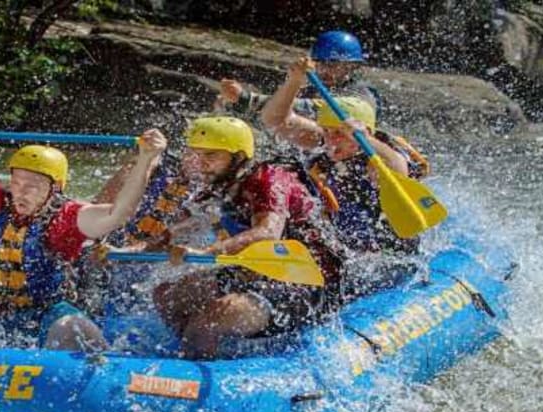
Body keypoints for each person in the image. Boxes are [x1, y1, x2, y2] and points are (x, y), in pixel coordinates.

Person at [0, 123, 167, 350]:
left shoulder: (68, 217)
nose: (22, 191)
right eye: (17, 181)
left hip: (47, 314)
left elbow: (119, 214)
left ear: (56, 187)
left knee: (72, 328)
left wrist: (145, 160)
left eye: (33, 185)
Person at [149, 116, 342, 358]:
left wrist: (207, 252)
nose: (200, 163)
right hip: (255, 273)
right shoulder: (216, 185)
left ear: (238, 158)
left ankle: (195, 367)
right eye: (195, 154)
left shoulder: (269, 178)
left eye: (211, 156)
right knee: (167, 296)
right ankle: (191, 355)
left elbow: (267, 233)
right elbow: (170, 233)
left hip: (304, 283)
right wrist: (126, 251)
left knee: (207, 320)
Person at [261, 58, 424, 298]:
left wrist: (362, 139)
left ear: (365, 133)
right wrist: (294, 82)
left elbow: (398, 170)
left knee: (349, 279)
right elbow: (275, 121)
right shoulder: (324, 145)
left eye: (339, 134)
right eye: (326, 131)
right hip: (346, 250)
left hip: (390, 257)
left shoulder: (379, 156)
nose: (330, 140)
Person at [216, 30, 380, 128]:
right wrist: (234, 108)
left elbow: (315, 108)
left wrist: (246, 99)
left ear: (351, 68)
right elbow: (271, 117)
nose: (325, 71)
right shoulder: (309, 88)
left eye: (335, 66)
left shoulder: (360, 94)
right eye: (321, 64)